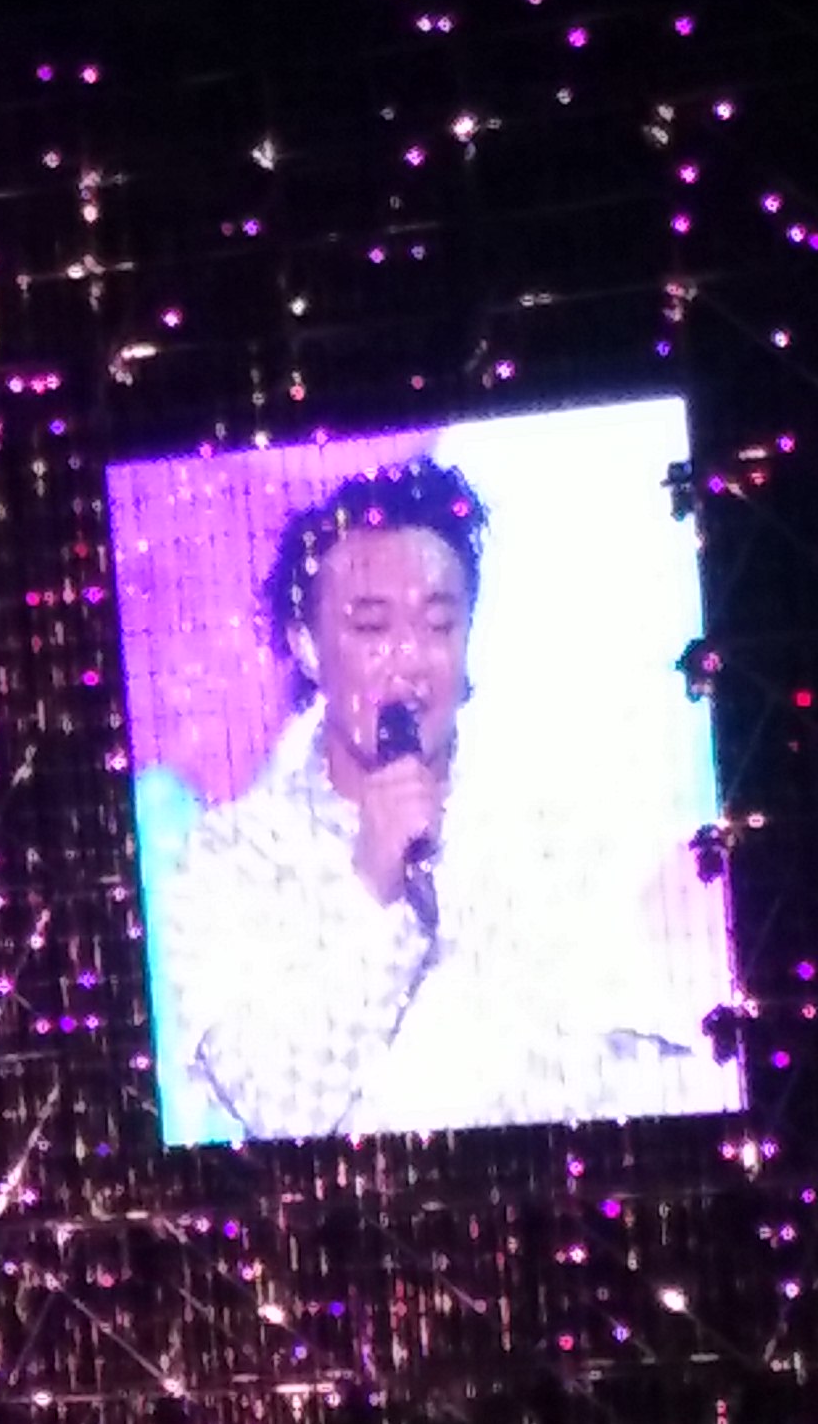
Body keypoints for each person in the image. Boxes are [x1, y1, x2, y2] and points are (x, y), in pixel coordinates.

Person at [165, 459, 716, 1141]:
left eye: (438, 625)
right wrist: (374, 887)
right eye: (372, 628)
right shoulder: (232, 858)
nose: (410, 658)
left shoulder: (551, 831)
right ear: (305, 645)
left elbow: (648, 1076)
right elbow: (280, 1107)